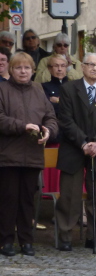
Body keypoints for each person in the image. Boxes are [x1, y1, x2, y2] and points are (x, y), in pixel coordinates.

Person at [53, 53, 96, 251]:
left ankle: (95, 237)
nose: (95, 69)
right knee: (69, 196)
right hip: (73, 149)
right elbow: (65, 120)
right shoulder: (69, 89)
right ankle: (65, 236)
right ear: (82, 66)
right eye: (91, 65)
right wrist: (83, 142)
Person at [0, 52, 58, 256]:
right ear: (11, 70)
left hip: (33, 155)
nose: (23, 71)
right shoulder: (2, 89)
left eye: (26, 68)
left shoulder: (38, 90)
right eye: (18, 68)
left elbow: (51, 117)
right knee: (8, 199)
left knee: (27, 200)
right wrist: (21, 126)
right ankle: (6, 241)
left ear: (33, 70)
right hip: (8, 155)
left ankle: (26, 241)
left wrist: (49, 131)